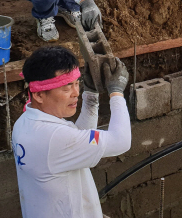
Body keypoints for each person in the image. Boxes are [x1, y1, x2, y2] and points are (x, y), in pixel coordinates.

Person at [12, 46, 131, 218]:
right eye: (67, 87)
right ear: (38, 95)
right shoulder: (54, 137)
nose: (76, 93)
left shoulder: (24, 123)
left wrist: (90, 95)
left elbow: (79, 138)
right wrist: (116, 92)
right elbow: (121, 141)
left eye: (77, 83)